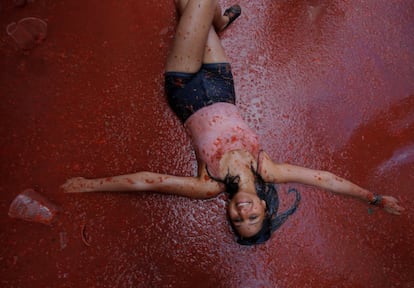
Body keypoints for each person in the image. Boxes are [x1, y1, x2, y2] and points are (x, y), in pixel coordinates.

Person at [62, 0, 404, 245]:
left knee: (194, 3)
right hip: (222, 84)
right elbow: (326, 180)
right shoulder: (267, 169)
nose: (243, 213)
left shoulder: (208, 184)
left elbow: (147, 182)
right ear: (265, 210)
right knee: (191, 8)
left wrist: (91, 184)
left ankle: (215, 21)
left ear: (229, 212)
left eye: (238, 220)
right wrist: (372, 199)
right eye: (252, 218)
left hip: (186, 87)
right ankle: (218, 24)